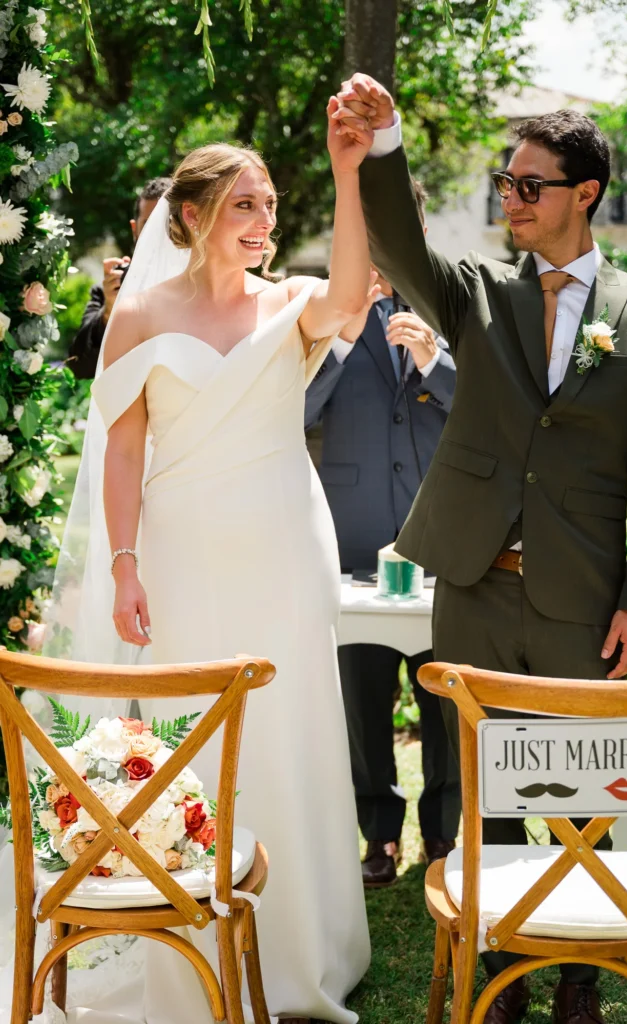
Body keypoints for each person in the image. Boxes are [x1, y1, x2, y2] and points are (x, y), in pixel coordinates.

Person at [334, 73, 627, 1024]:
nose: (511, 198)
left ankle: (581, 972)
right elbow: (400, 241)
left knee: (584, 794)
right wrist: (388, 137)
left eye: (532, 183)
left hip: (583, 595)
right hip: (475, 586)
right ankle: (508, 972)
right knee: (490, 797)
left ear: (586, 194)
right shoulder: (477, 293)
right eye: (506, 180)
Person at [33, 101, 374, 1024]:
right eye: (242, 208)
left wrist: (348, 170)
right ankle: (189, 944)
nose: (263, 225)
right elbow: (121, 448)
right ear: (191, 218)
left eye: (268, 206)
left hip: (282, 549)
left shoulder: (293, 301)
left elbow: (351, 299)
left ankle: (305, 952)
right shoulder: (138, 313)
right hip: (181, 553)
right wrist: (128, 565)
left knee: (291, 728)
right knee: (196, 739)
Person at [304, 180, 460, 887]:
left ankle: (444, 834)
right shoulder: (320, 307)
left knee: (447, 699)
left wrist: (434, 360)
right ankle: (378, 834)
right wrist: (338, 341)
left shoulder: (459, 301)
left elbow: (493, 410)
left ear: (417, 229)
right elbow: (295, 407)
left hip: (443, 541)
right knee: (362, 697)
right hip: (354, 539)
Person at [68, 176, 172, 379]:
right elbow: (80, 367)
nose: (158, 234)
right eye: (149, 225)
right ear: (135, 229)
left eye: (166, 223)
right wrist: (109, 312)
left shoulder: (206, 283)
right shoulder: (112, 287)